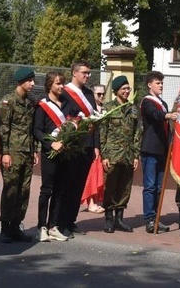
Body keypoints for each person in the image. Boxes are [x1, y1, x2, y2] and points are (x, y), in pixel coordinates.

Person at [58, 60, 99, 238]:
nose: (87, 76)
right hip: (73, 145)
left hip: (88, 144)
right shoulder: (66, 93)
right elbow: (64, 118)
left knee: (79, 185)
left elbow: (95, 120)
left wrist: (96, 145)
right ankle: (61, 222)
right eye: (84, 72)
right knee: (68, 184)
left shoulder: (89, 94)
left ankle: (71, 220)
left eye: (89, 73)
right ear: (74, 73)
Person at [0, 66, 37, 243]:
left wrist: (34, 150)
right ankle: (5, 227)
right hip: (12, 152)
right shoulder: (8, 102)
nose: (33, 84)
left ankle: (16, 225)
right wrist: (5, 152)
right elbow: (3, 129)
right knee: (11, 189)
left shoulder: (30, 102)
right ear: (21, 81)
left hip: (27, 151)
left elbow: (31, 128)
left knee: (24, 190)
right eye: (30, 80)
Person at [99, 75, 140, 233]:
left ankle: (119, 219)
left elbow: (137, 133)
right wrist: (105, 155)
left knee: (125, 187)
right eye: (123, 89)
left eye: (128, 88)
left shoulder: (133, 108)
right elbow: (103, 132)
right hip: (113, 155)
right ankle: (109, 219)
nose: (127, 91)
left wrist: (136, 155)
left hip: (128, 155)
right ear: (116, 91)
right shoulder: (109, 108)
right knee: (110, 186)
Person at [34, 71, 70, 242]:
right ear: (50, 85)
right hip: (50, 153)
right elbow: (37, 131)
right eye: (58, 83)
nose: (61, 86)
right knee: (46, 190)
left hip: (64, 152)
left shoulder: (66, 105)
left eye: (62, 83)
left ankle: (53, 226)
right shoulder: (42, 105)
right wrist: (51, 144)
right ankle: (41, 226)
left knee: (60, 190)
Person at [140, 71, 177, 233]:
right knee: (149, 186)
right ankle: (149, 219)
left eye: (162, 83)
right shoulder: (147, 102)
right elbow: (155, 115)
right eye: (157, 83)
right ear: (149, 85)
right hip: (150, 148)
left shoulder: (162, 102)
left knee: (159, 187)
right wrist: (168, 115)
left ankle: (156, 218)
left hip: (162, 149)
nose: (161, 85)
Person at [81, 84, 106, 214]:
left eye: (103, 94)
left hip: (104, 146)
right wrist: (96, 146)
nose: (101, 96)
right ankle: (90, 203)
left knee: (98, 176)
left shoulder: (105, 109)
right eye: (98, 94)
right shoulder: (90, 110)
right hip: (93, 146)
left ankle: (96, 201)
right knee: (92, 175)